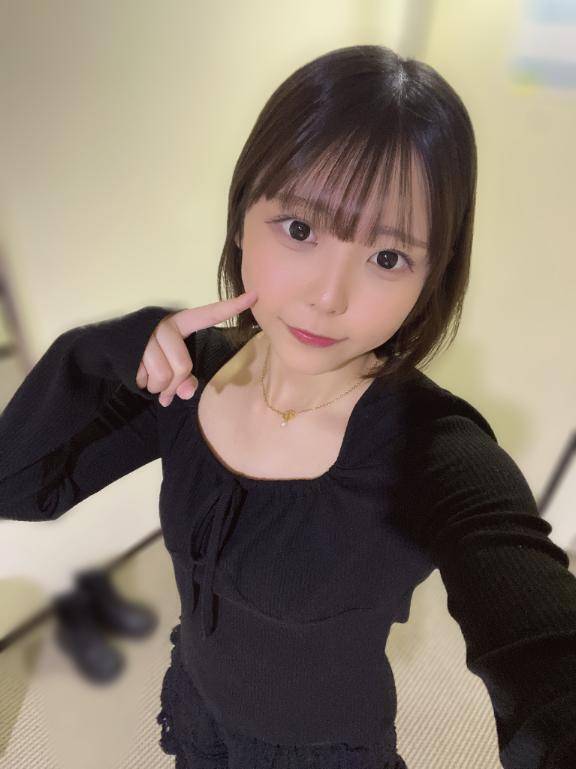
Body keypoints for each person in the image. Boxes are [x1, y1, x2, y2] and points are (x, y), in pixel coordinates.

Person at [1, 44, 575, 769]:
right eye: (300, 230)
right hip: (198, 709)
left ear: (431, 277)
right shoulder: (187, 375)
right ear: (243, 216)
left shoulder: (435, 452)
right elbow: (19, 485)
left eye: (388, 257)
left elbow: (544, 658)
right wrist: (100, 353)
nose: (327, 297)